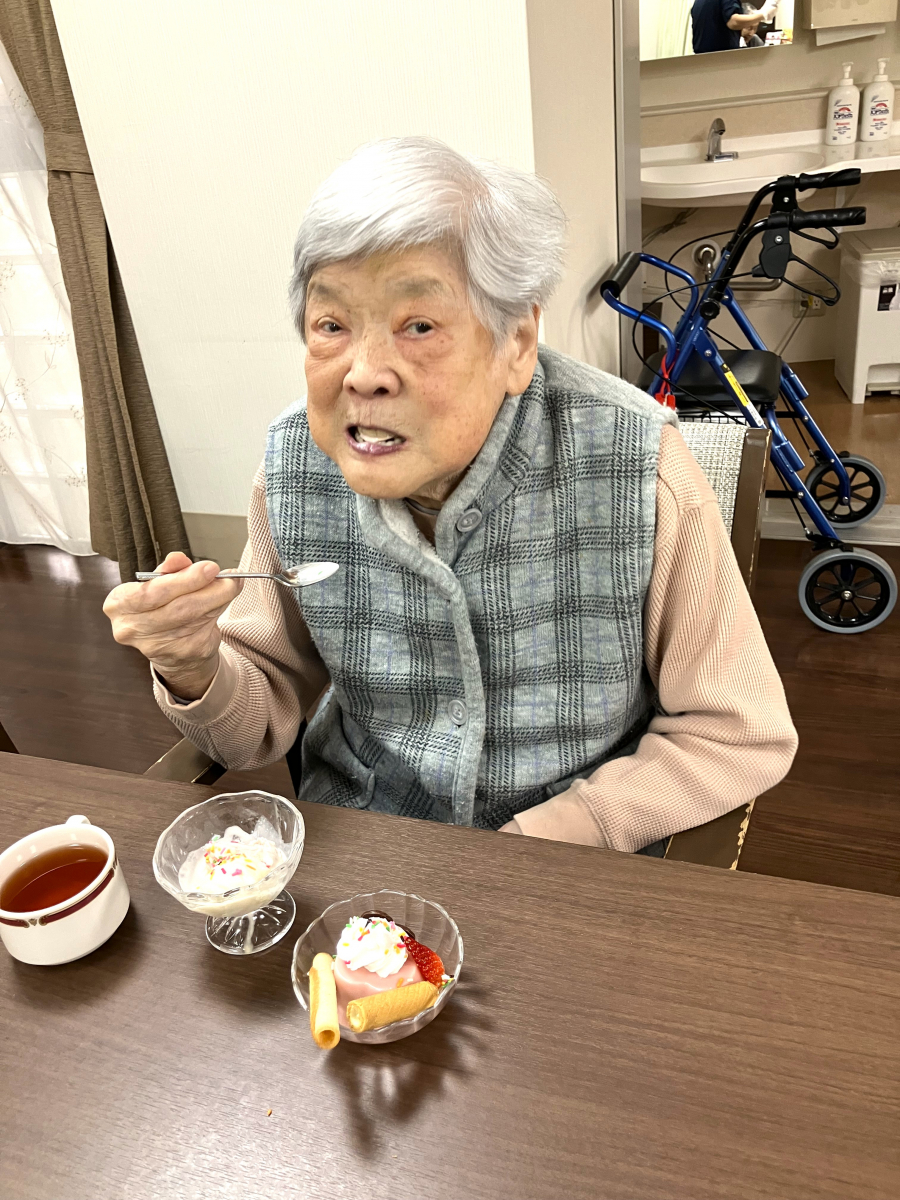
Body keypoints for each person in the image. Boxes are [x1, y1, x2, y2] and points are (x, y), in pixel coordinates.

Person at [103, 137, 797, 853]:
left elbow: (736, 731)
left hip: (570, 858)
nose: (364, 373)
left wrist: (560, 832)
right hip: (369, 842)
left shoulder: (635, 463)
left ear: (517, 343)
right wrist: (194, 667)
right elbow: (254, 727)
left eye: (419, 326)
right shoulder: (295, 464)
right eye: (332, 325)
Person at [691, 0, 776, 54]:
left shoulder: (699, 2)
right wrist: (764, 14)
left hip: (702, 59)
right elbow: (733, 22)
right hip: (722, 58)